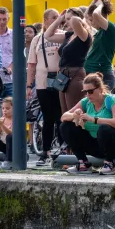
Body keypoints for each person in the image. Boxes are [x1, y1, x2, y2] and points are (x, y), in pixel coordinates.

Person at [45, 8, 92, 163]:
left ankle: (81, 154)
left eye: (69, 19)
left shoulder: (83, 36)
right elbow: (48, 35)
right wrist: (59, 19)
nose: (67, 21)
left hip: (76, 74)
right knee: (65, 115)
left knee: (75, 113)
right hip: (63, 76)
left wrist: (74, 16)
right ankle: (72, 153)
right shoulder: (68, 36)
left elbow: (78, 22)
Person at [60, 73, 115, 175]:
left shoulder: (113, 100)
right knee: (66, 126)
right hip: (98, 147)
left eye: (91, 91)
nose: (88, 95)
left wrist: (94, 119)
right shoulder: (86, 102)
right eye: (85, 92)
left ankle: (109, 164)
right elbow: (63, 117)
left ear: (100, 89)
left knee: (104, 128)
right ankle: (83, 163)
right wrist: (75, 115)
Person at [33, 8, 75, 166]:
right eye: (54, 17)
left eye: (59, 17)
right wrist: (29, 85)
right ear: (45, 20)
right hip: (43, 82)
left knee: (61, 116)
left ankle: (64, 150)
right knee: (48, 118)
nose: (58, 19)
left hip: (61, 80)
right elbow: (31, 64)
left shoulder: (64, 36)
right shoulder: (38, 39)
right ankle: (45, 151)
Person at [84, 0, 115, 90]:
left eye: (92, 20)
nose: (91, 23)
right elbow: (86, 16)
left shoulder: (112, 29)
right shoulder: (99, 31)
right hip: (91, 74)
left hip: (103, 75)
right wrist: (93, 2)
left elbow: (96, 15)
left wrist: (100, 4)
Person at [0, 7, 14, 104]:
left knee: (12, 109)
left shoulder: (14, 34)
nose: (2, 22)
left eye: (4, 19)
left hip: (10, 80)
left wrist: (10, 67)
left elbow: (19, 55)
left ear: (8, 19)